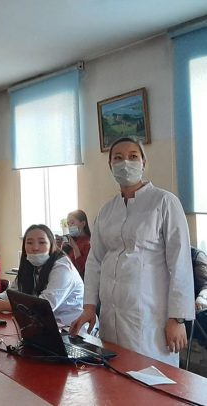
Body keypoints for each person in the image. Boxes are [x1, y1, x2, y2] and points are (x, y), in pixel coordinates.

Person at [70, 136, 195, 366]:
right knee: (114, 376)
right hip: (111, 317)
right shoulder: (107, 211)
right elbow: (95, 261)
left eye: (133, 156)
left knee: (151, 379)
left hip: (151, 319)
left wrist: (177, 318)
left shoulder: (165, 202)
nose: (125, 162)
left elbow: (180, 263)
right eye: (118, 158)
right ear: (110, 166)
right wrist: (89, 307)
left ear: (143, 163)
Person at [0, 224, 84, 327]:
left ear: (51, 245)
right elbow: (14, 291)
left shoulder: (63, 268)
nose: (35, 248)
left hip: (70, 329)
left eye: (42, 242)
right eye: (30, 242)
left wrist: (2, 305)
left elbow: (44, 306)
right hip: (40, 325)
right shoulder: (29, 264)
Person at [60, 210, 91, 279]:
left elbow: (82, 269)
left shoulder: (89, 243)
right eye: (68, 224)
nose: (70, 226)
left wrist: (75, 247)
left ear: (83, 223)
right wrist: (61, 246)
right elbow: (63, 262)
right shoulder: (72, 240)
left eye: (72, 223)